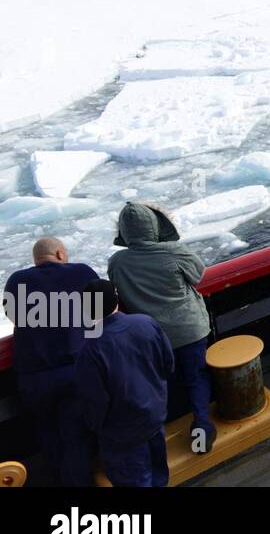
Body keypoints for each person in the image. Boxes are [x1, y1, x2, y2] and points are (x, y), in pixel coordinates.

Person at [108, 202, 217, 452]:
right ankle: (202, 427)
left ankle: (162, 437)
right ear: (154, 226)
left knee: (161, 383)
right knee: (196, 377)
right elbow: (198, 275)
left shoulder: (117, 262)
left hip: (150, 337)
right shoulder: (174, 252)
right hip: (188, 329)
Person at [1, 237, 100, 485]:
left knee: (47, 431)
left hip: (32, 377)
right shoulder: (82, 272)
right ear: (59, 253)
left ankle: (58, 476)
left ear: (36, 259)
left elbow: (13, 317)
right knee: (75, 435)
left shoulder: (16, 280)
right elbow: (99, 314)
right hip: (73, 370)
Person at [74, 279, 173, 488]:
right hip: (154, 417)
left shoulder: (90, 350)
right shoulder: (146, 323)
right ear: (116, 301)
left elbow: (95, 402)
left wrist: (98, 427)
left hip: (122, 434)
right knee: (159, 476)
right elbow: (168, 364)